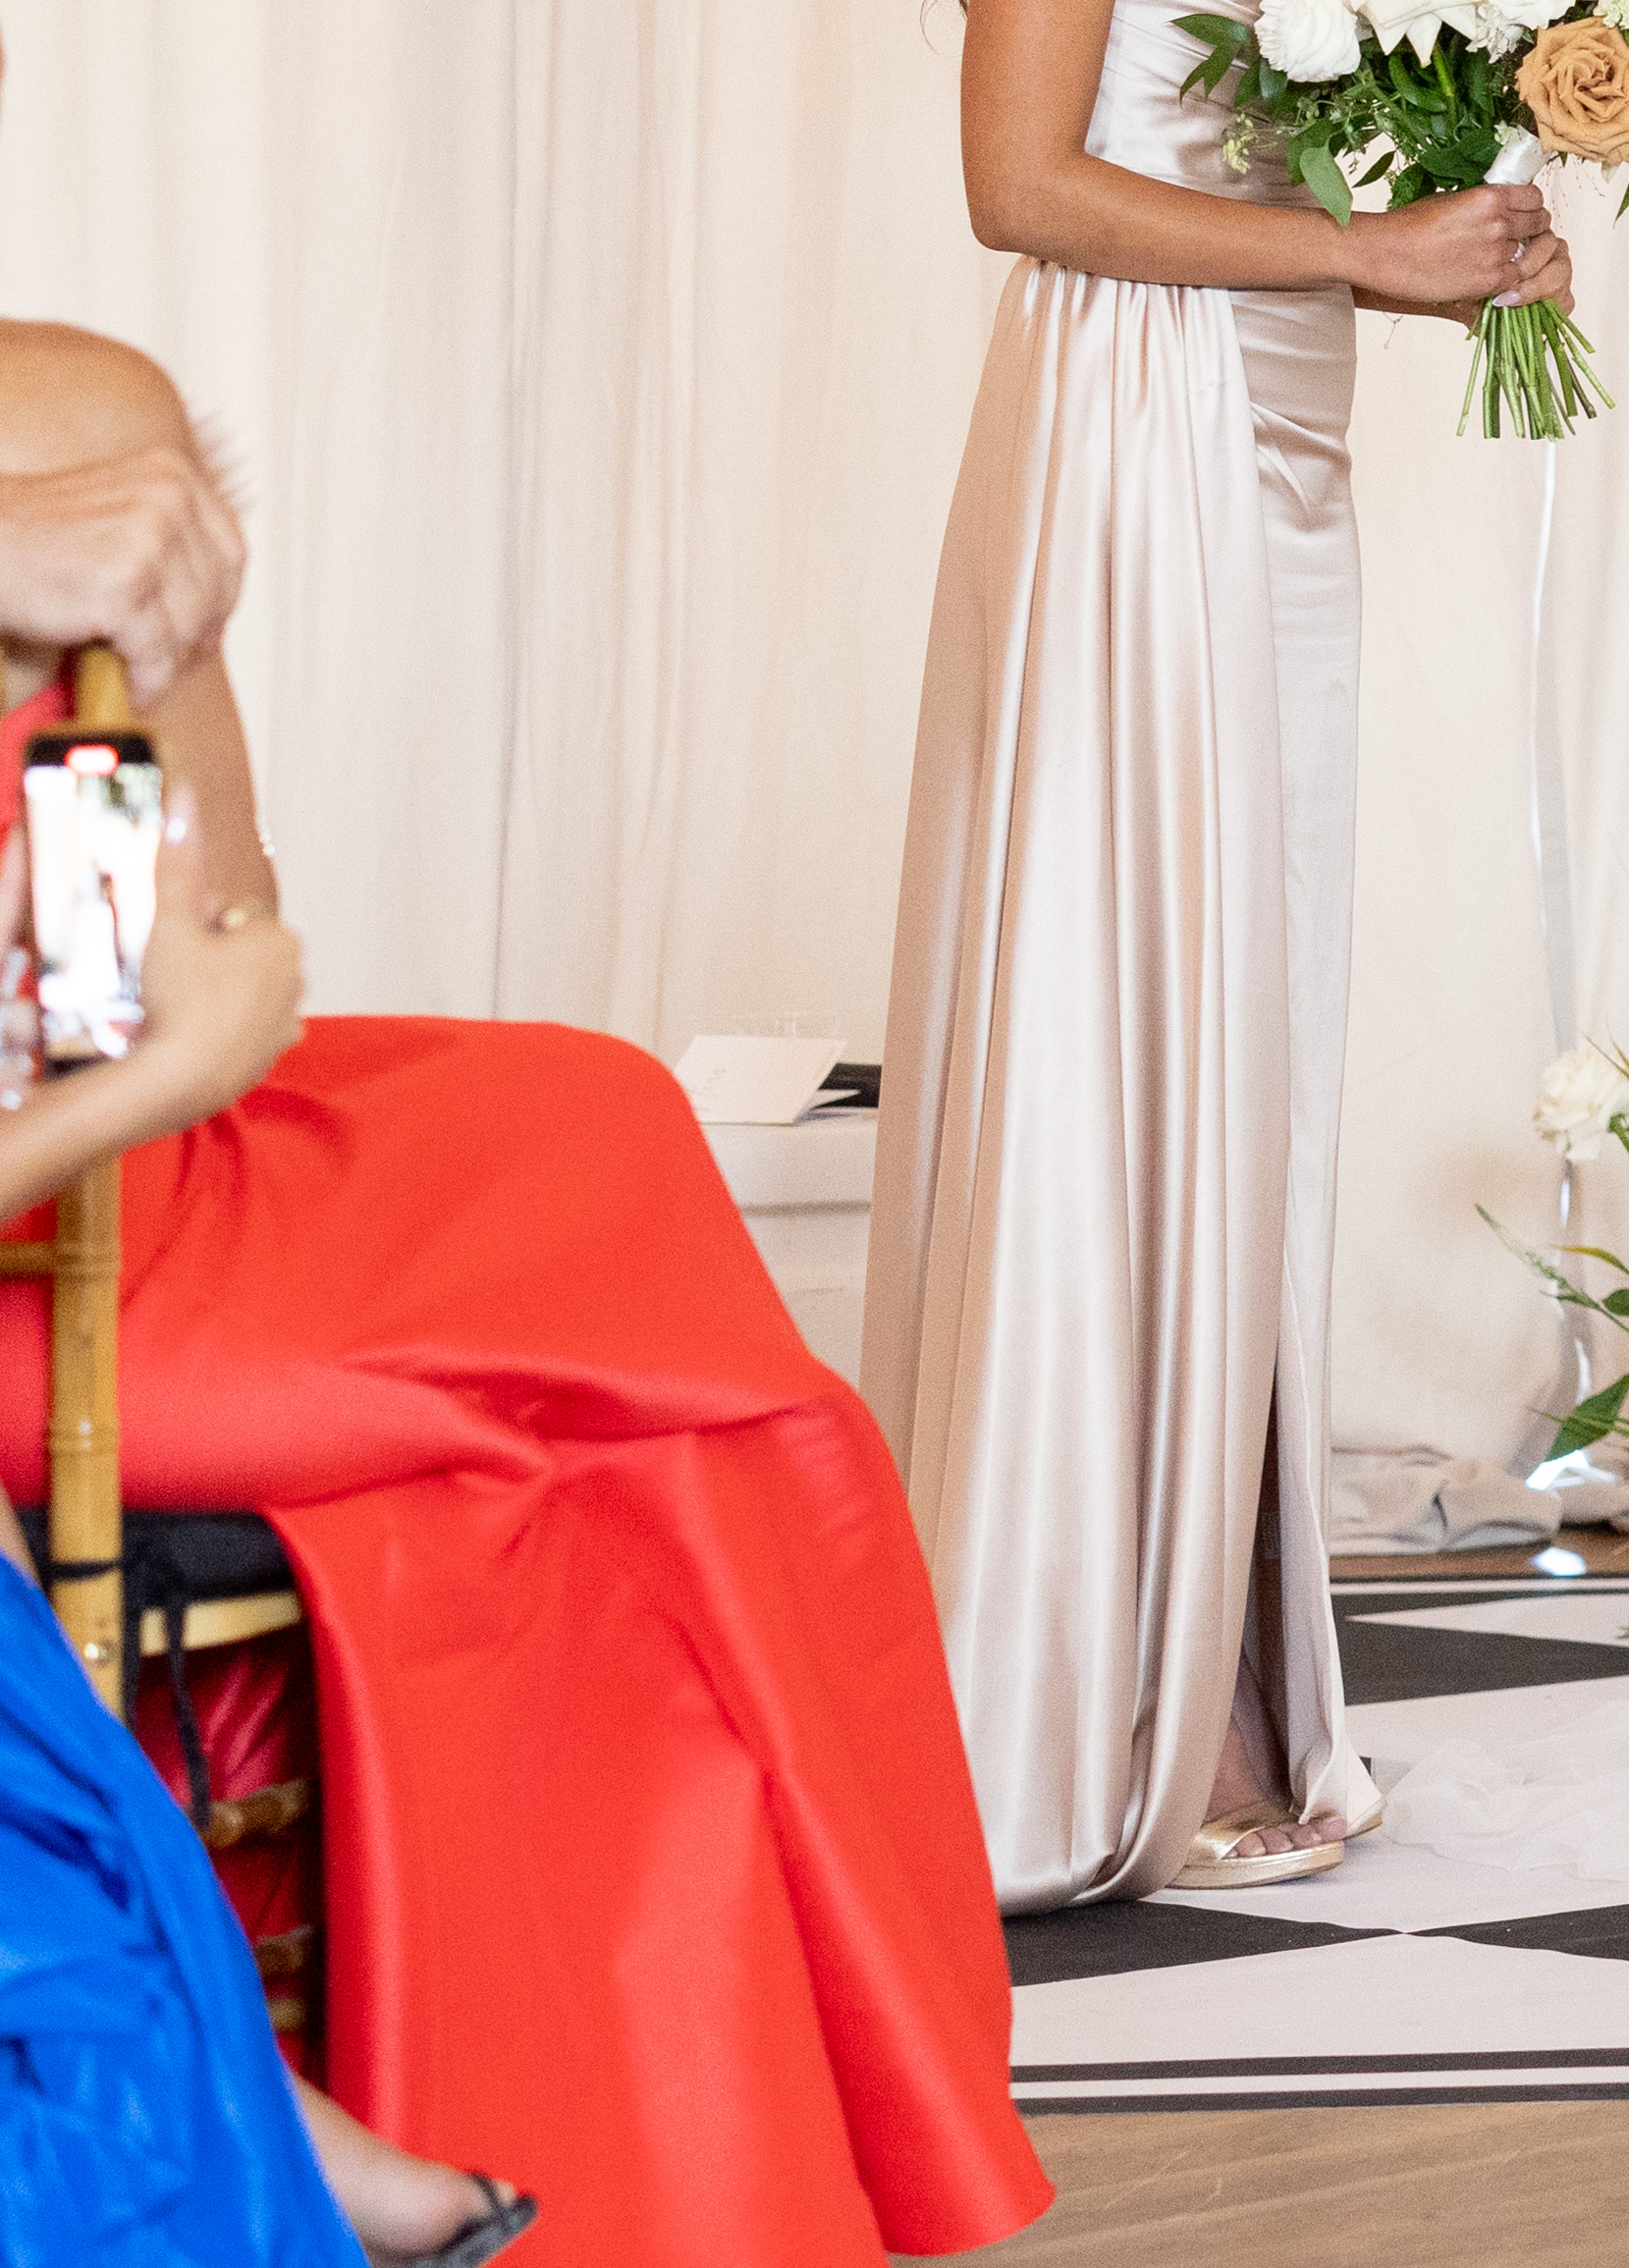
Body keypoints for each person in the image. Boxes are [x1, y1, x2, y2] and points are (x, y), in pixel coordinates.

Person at [0, 245, 1042, 2258]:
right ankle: (767, 2088)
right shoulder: (53, 426)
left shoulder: (57, 420)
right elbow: (114, 980)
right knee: (659, 1396)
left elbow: (120, 927)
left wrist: (142, 960)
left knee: (592, 1144)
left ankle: (780, 2063)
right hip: (78, 1232)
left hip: (97, 1114)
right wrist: (150, 1024)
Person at [869, 0, 1565, 1905]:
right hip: (1131, 459)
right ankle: (1060, 1685)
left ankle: (1220, 1674)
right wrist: (1348, 243)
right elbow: (1020, 185)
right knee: (1124, 1019)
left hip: (1278, 460)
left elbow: (1304, 157)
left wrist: (1455, 224)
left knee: (1245, 1046)